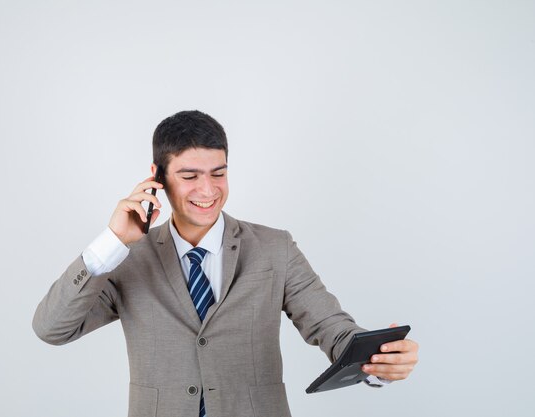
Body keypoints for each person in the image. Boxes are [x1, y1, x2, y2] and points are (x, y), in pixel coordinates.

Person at [33, 110, 419, 417]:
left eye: (218, 174)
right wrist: (112, 242)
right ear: (158, 179)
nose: (208, 190)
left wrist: (378, 363)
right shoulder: (127, 258)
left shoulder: (275, 248)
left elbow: (333, 329)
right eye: (190, 176)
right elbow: (52, 329)